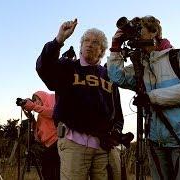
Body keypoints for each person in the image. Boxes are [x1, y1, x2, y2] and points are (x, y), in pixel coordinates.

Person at [36, 18, 124, 180]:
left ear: (102, 50)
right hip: (74, 143)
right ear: (81, 46)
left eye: (95, 42)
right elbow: (44, 67)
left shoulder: (108, 75)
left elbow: (116, 111)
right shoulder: (67, 68)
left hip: (104, 147)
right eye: (86, 41)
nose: (90, 44)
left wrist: (116, 132)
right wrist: (59, 40)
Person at [108, 15, 180, 180]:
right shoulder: (141, 65)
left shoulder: (177, 58)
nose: (136, 35)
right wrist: (115, 48)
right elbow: (116, 77)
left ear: (154, 32)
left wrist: (152, 97)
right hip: (154, 142)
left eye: (139, 31)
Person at [21, 91, 60, 180]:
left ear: (42, 97)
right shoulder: (40, 116)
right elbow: (37, 135)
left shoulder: (52, 99)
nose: (35, 102)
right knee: (47, 173)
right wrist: (31, 118)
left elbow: (54, 114)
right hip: (47, 146)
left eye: (36, 99)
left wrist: (34, 107)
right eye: (33, 101)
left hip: (58, 142)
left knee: (56, 174)